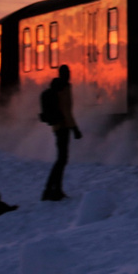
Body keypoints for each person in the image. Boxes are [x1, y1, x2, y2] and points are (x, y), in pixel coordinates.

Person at [40, 64, 82, 201]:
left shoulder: (59, 86)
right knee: (61, 160)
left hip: (59, 126)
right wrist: (74, 128)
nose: (69, 75)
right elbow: (66, 111)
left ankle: (54, 189)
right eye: (67, 72)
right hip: (62, 127)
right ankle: (50, 190)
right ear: (63, 74)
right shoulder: (63, 88)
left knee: (61, 159)